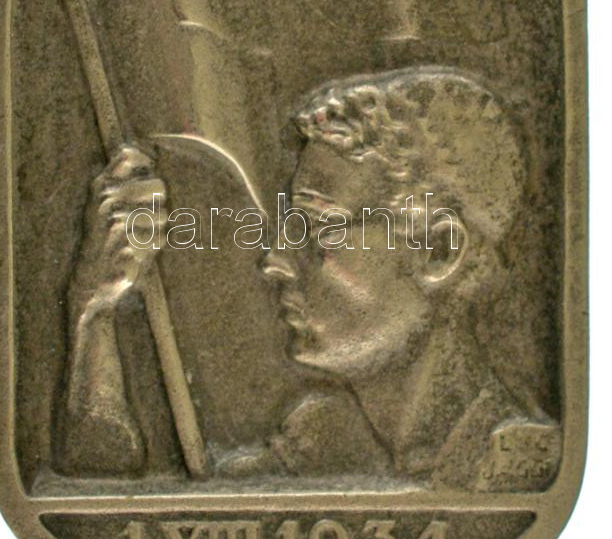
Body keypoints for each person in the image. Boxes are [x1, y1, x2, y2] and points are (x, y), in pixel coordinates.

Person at [58, 66, 561, 490]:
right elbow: (98, 494)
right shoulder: (313, 448)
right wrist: (93, 312)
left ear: (438, 250)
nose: (276, 260)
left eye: (318, 227)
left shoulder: (515, 468)